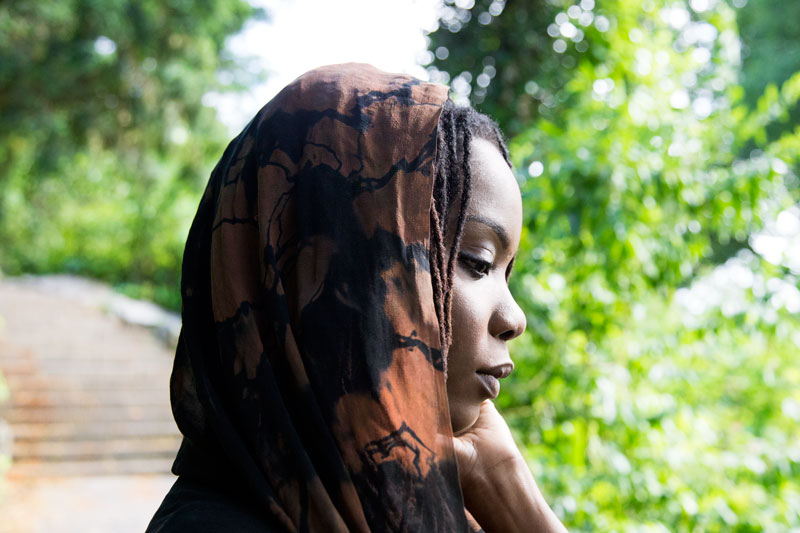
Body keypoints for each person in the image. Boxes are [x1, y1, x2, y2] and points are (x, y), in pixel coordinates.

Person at [147, 63, 566, 532]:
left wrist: (506, 486)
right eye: (478, 260)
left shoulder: (409, 502)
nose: (515, 317)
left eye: (507, 273)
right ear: (341, 270)